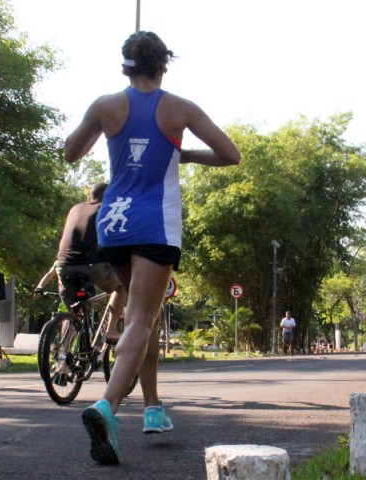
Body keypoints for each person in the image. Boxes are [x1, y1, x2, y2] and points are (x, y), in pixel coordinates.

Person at [64, 31, 240, 465]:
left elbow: (70, 152)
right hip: (154, 223)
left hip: (113, 223)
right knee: (141, 318)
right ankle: (106, 407)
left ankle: (153, 408)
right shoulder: (179, 108)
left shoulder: (105, 106)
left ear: (125, 67)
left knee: (144, 316)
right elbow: (230, 154)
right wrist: (181, 153)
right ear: (164, 65)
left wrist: (104, 137)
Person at [34, 183, 126, 343]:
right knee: (122, 285)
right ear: (110, 197)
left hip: (63, 266)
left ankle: (62, 360)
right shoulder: (107, 209)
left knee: (72, 316)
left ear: (89, 197)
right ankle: (111, 330)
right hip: (93, 265)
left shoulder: (74, 209)